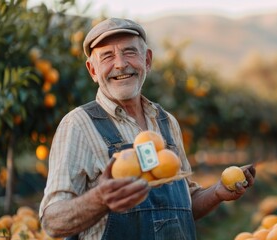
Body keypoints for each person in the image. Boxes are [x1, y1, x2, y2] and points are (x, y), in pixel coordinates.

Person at [39, 17, 256, 240]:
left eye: (130, 52)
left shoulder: (166, 122)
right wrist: (100, 199)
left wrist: (217, 192)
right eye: (107, 56)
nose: (121, 64)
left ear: (148, 60)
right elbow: (52, 221)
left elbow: (179, 207)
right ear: (92, 70)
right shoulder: (78, 125)